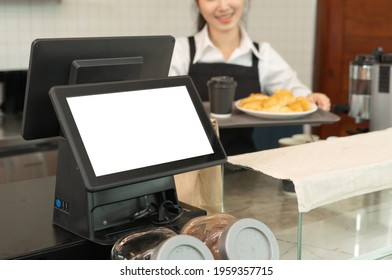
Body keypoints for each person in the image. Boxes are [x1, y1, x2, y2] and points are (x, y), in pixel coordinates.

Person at [169, 0, 330, 155]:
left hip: (246, 165)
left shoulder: (262, 55)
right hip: (190, 167)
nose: (223, 6)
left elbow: (295, 92)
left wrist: (311, 98)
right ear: (198, 3)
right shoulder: (180, 51)